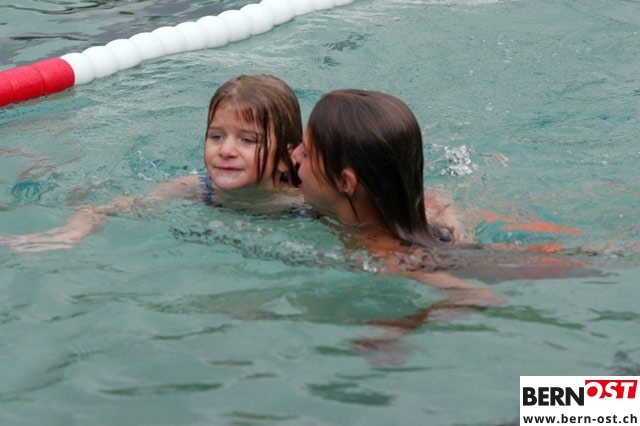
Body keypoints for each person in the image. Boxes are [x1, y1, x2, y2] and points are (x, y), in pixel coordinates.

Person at [292, 89, 604, 363]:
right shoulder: (419, 215)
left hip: (555, 269)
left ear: (345, 182)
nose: (294, 155)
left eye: (305, 153)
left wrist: (401, 325)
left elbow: (479, 297)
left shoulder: (388, 256)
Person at [1, 74, 304, 252]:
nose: (226, 150)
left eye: (247, 140)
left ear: (286, 157)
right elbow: (123, 205)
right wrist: (79, 225)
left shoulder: (304, 203)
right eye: (216, 136)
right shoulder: (196, 188)